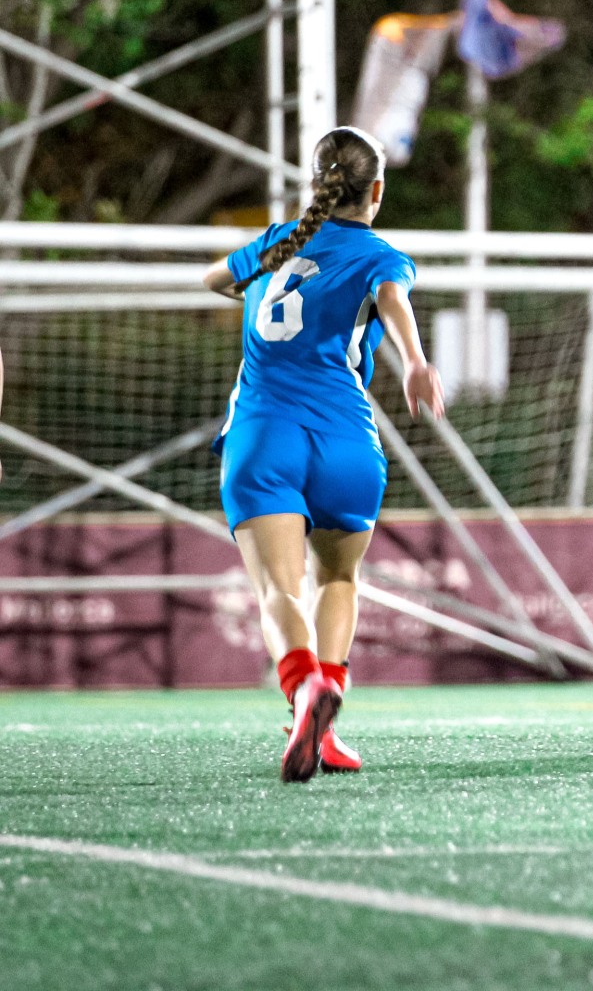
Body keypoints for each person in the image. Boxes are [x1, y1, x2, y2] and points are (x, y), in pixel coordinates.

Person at [202, 126, 444, 782]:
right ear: (377, 190)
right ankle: (326, 724)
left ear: (315, 185)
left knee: (279, 590)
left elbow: (213, 278)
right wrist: (415, 361)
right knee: (337, 580)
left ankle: (304, 685)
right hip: (347, 444)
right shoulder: (381, 255)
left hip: (264, 438)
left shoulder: (276, 242)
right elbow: (392, 299)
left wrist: (252, 284)